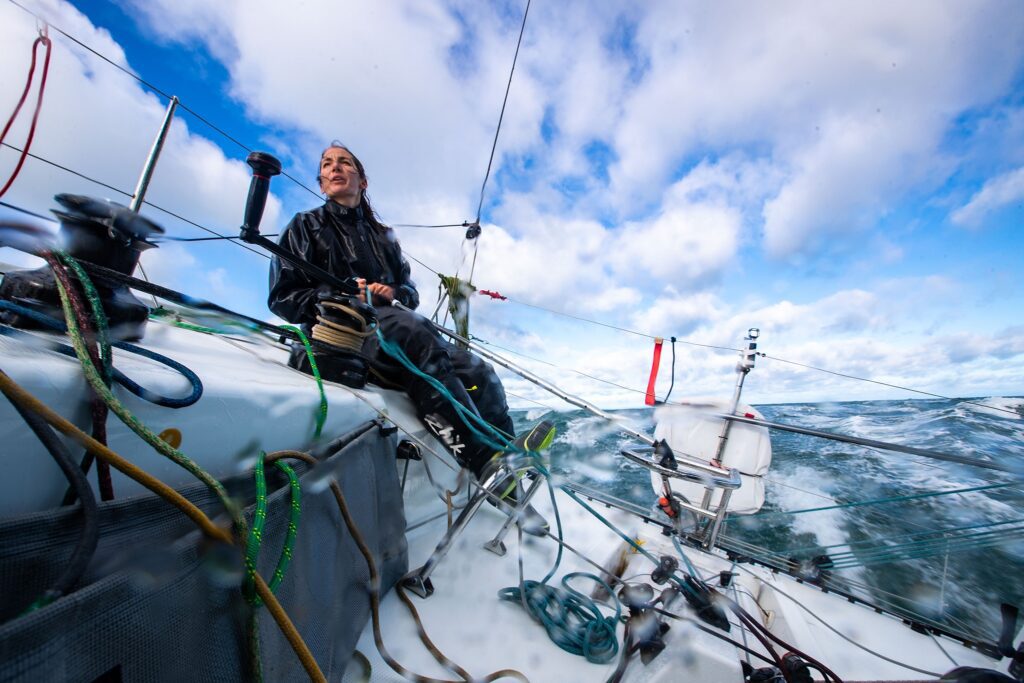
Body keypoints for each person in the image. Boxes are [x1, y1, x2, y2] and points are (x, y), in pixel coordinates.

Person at [268, 143, 548, 517]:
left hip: (398, 333)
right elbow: (282, 297)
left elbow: (410, 294)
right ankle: (485, 463)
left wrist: (393, 292)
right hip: (346, 335)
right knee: (413, 331)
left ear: (362, 180)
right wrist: (344, 295)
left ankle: (507, 456)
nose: (335, 169)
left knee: (476, 369)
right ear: (321, 182)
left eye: (345, 163)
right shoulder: (305, 226)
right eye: (327, 165)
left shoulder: (384, 237)